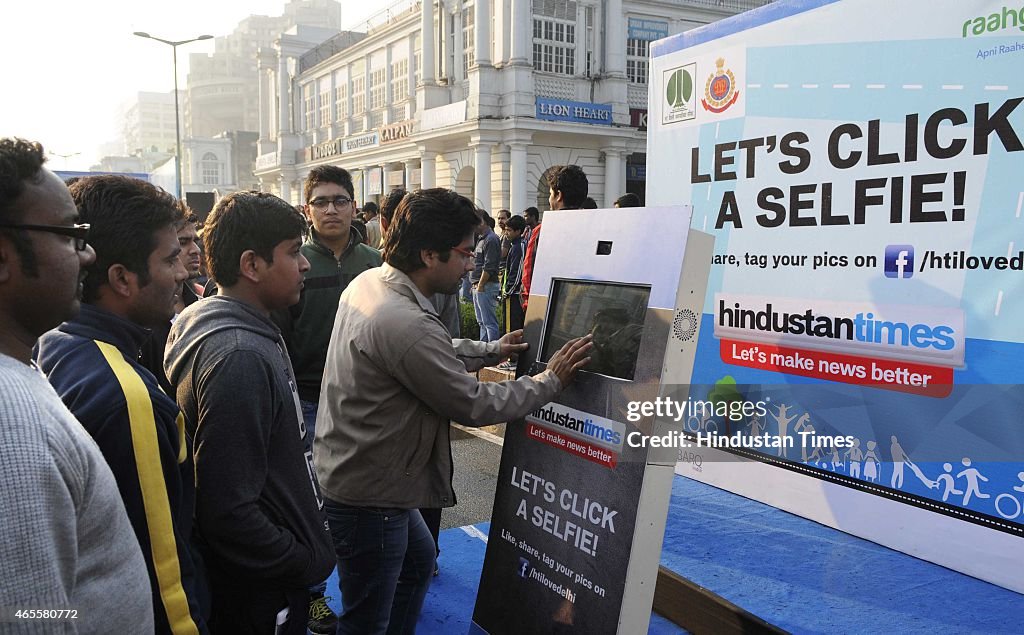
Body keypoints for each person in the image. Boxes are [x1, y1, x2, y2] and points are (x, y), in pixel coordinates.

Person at [314, 187, 592, 635]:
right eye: (464, 253)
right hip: (372, 496)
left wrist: (490, 348)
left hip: (374, 481)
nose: (470, 265)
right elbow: (474, 403)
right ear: (429, 254)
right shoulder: (403, 321)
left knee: (417, 566)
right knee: (367, 618)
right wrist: (551, 380)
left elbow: (428, 352)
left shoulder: (372, 284)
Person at [34, 175, 206, 634]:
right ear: (122, 278)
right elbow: (164, 577)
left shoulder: (58, 342)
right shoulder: (130, 400)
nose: (184, 272)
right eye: (170, 259)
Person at [0, 137, 154, 633]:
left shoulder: (22, 369)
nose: (86, 255)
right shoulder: (13, 429)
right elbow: (29, 616)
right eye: (69, 235)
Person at [164, 192, 335, 635]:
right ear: (251, 265)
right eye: (294, 252)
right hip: (260, 594)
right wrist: (298, 560)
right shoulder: (240, 355)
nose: (305, 264)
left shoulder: (241, 328)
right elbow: (227, 509)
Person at [273, 165, 380, 633]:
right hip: (310, 399)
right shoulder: (296, 264)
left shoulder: (377, 262)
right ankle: (316, 595)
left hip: (369, 402)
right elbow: (281, 335)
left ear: (354, 205)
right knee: (312, 503)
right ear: (307, 209)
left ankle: (369, 587)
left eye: (340, 200)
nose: (331, 209)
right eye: (321, 202)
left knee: (368, 501)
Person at [140, 209, 204, 395]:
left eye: (195, 241)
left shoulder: (203, 305)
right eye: (183, 242)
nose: (195, 250)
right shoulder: (141, 317)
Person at [521, 165, 589, 310]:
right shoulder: (593, 226)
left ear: (558, 195)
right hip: (581, 305)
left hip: (548, 306)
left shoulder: (544, 229)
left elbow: (529, 273)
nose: (550, 199)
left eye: (551, 194)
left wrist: (529, 306)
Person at [471, 210, 501, 341]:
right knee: (482, 322)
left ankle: (493, 353)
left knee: (489, 323)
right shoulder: (481, 238)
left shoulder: (491, 239)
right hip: (479, 286)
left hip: (486, 286)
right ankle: (484, 353)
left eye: (476, 222)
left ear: (483, 221)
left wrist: (481, 284)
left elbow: (489, 265)